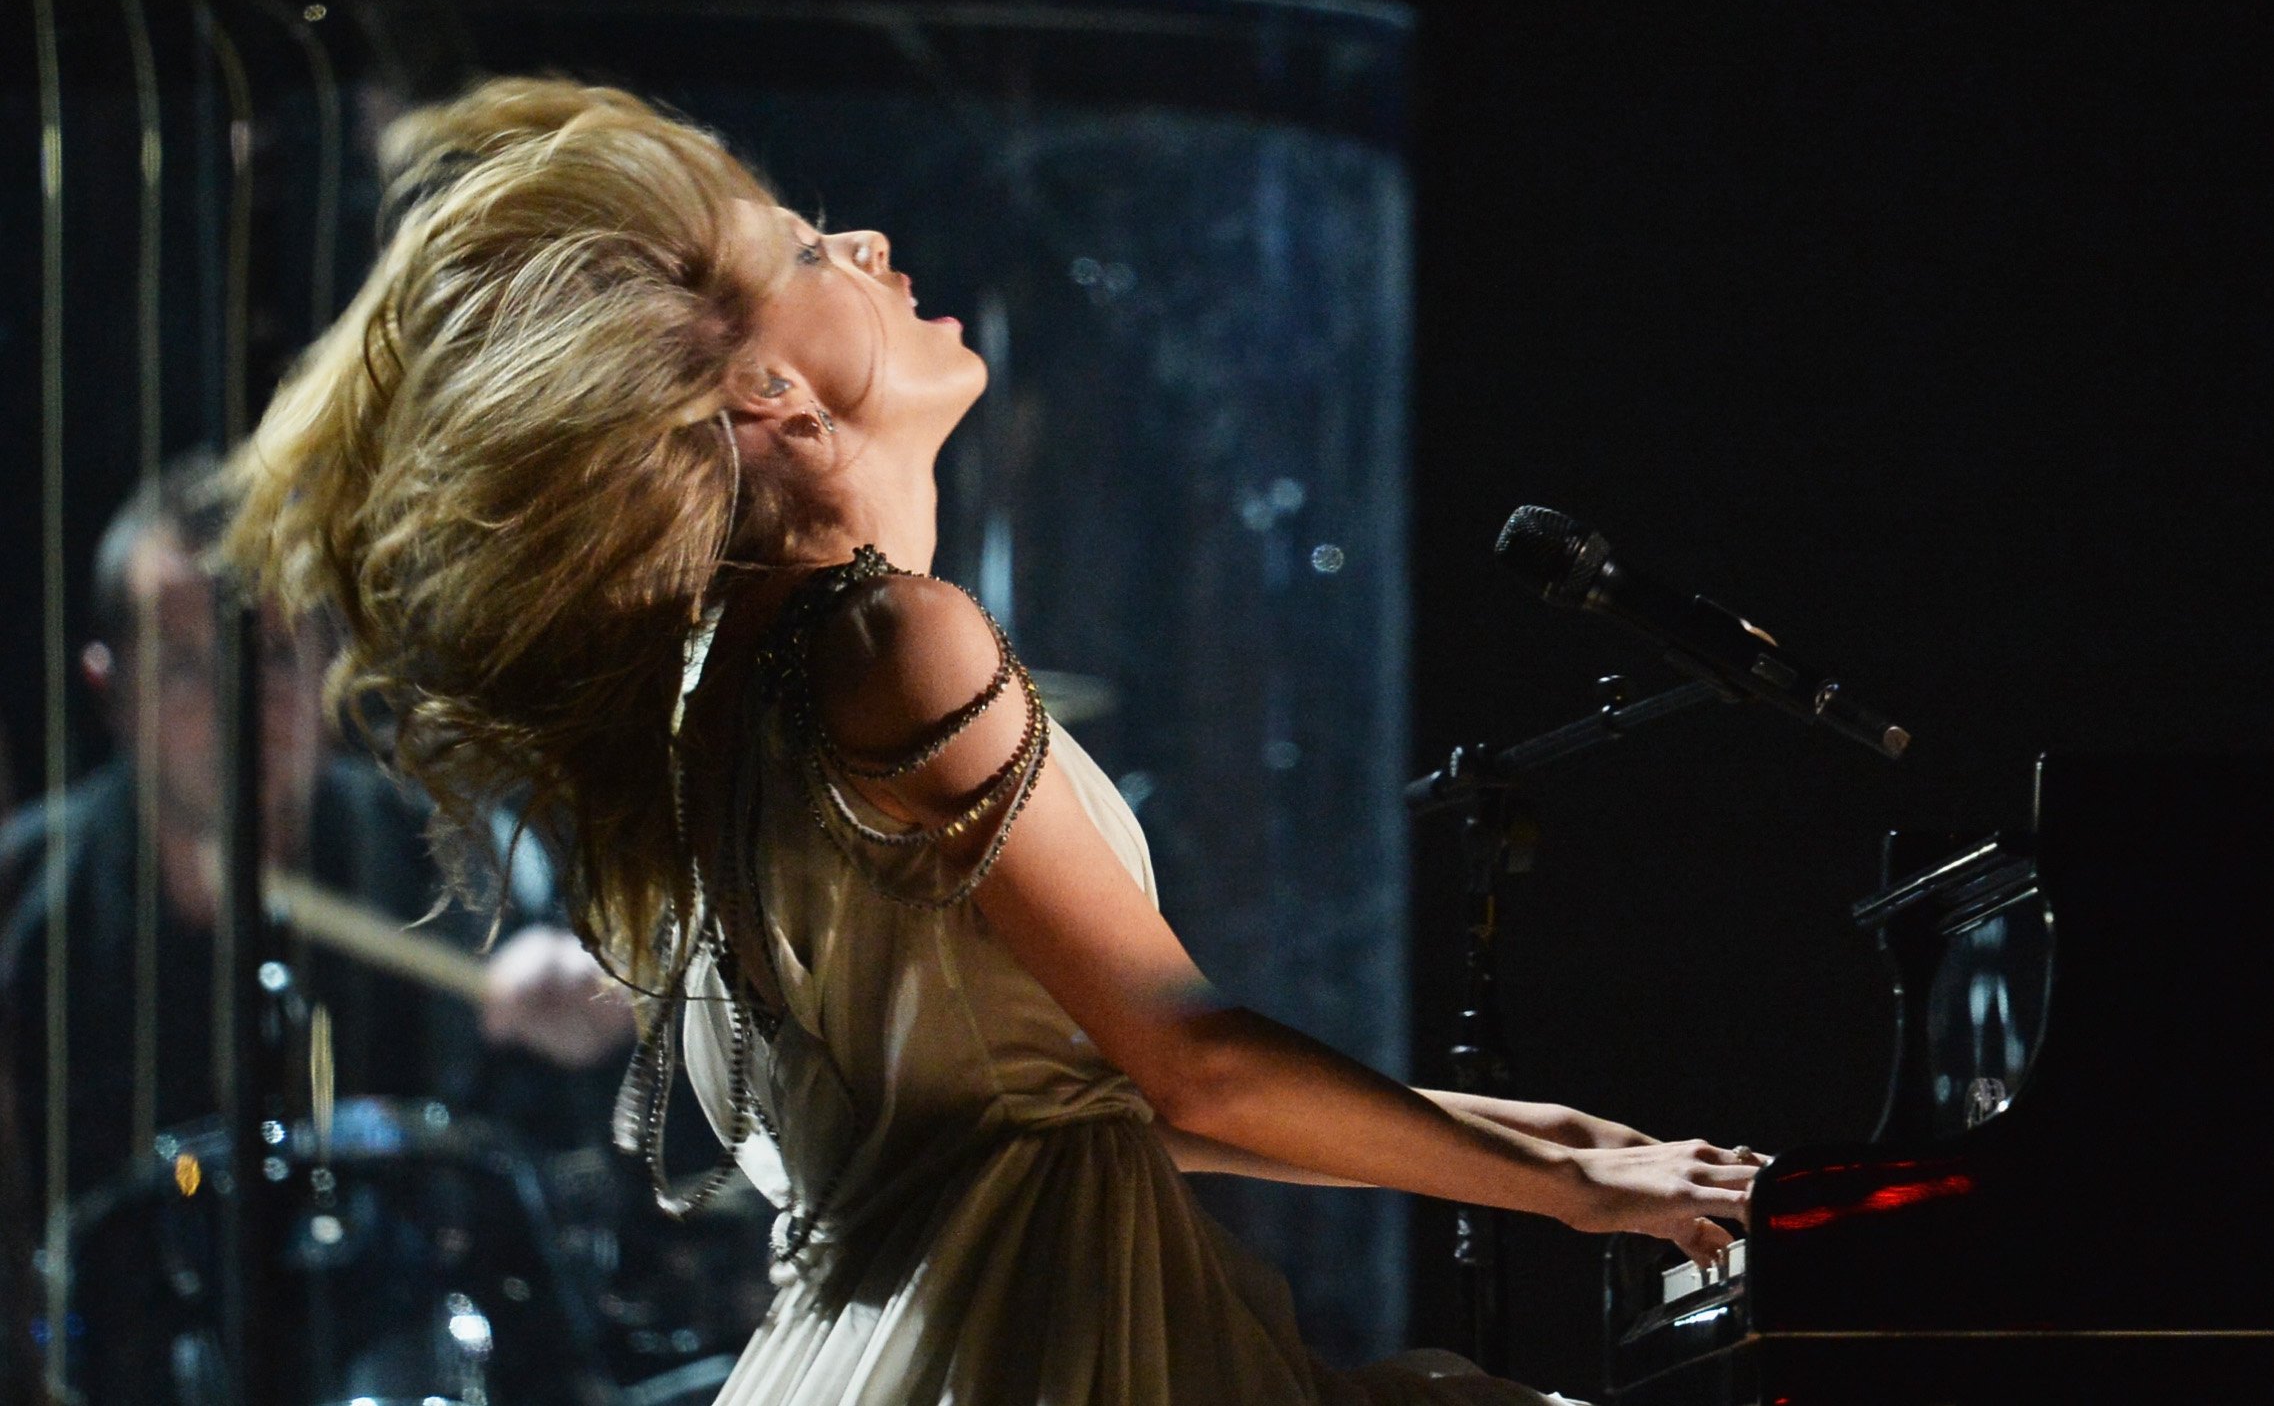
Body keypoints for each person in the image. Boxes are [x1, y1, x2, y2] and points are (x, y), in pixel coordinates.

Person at [219, 78, 1761, 1406]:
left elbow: (1078, 1113)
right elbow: (1194, 1068)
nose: (875, 245)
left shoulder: (730, 690)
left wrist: (1569, 1142)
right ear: (765, 393)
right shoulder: (894, 640)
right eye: (820, 252)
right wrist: (1575, 1185)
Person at [0, 453, 637, 1205]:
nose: (237, 711)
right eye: (184, 667)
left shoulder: (456, 859)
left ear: (328, 670)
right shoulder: (23, 896)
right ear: (110, 689)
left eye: (271, 657)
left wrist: (609, 997)